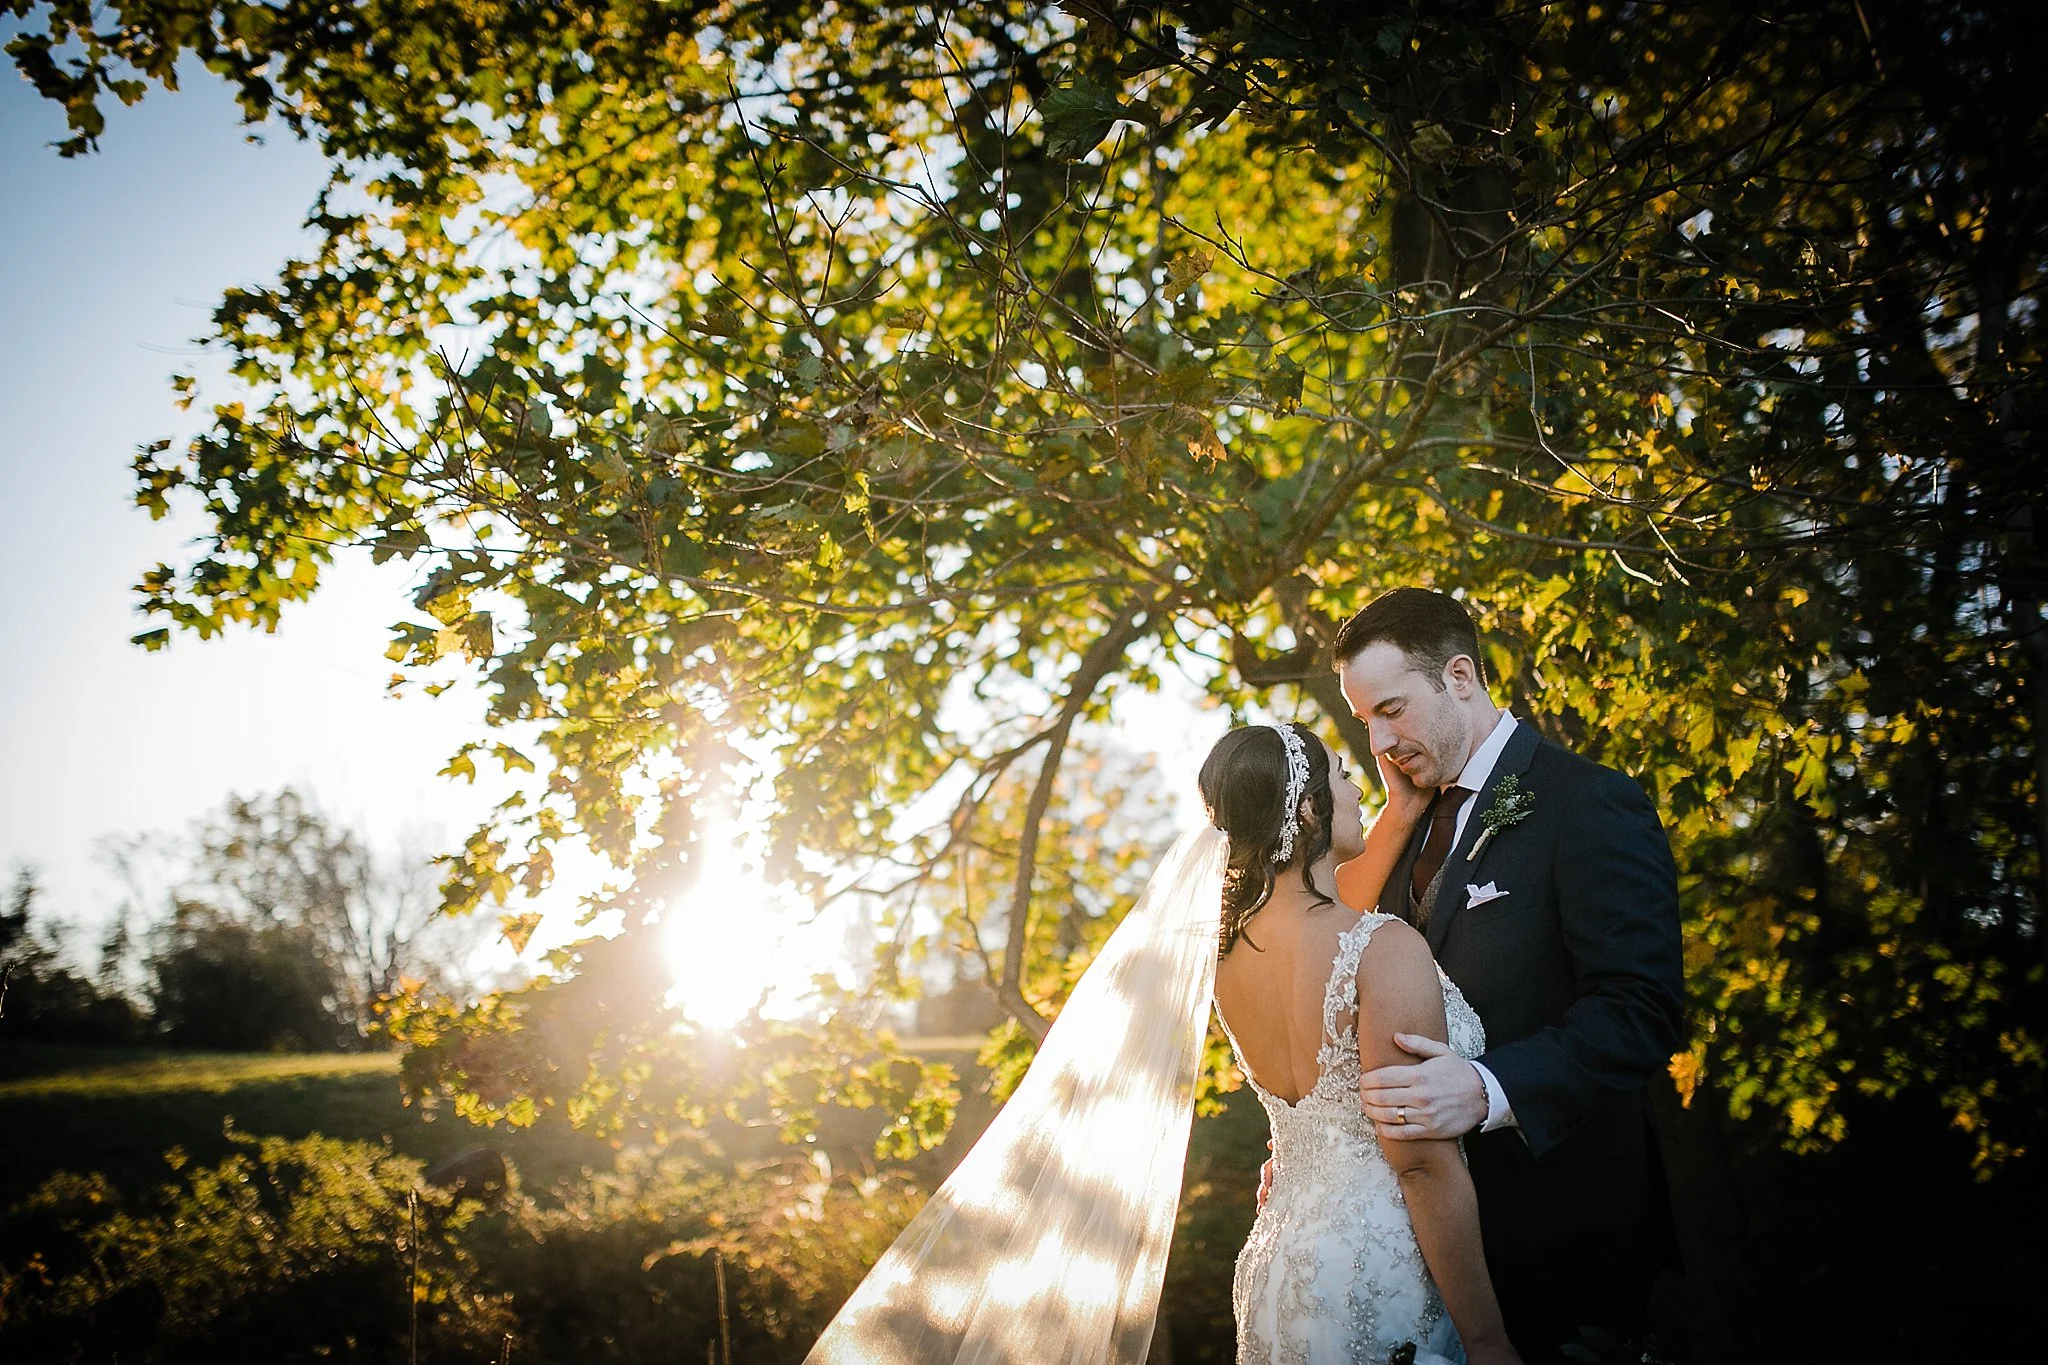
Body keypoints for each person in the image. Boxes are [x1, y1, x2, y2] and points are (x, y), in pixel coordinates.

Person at [1335, 588, 1685, 1365]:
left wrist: (1490, 1087)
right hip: (1426, 1257)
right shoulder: (1400, 826)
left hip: (1566, 1236)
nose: (1381, 739)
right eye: (1366, 722)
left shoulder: (1589, 801)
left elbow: (1642, 1006)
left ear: (1460, 675)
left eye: (1392, 708)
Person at [1206, 721, 1524, 1365]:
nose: (1359, 790)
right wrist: (1489, 1340)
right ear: (1307, 809)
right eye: (1341, 776)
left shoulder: (1226, 961)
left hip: (1280, 1270)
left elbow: (1320, 910)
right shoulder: (1383, 948)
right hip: (1375, 1268)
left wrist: (1400, 815)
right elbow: (1419, 1161)